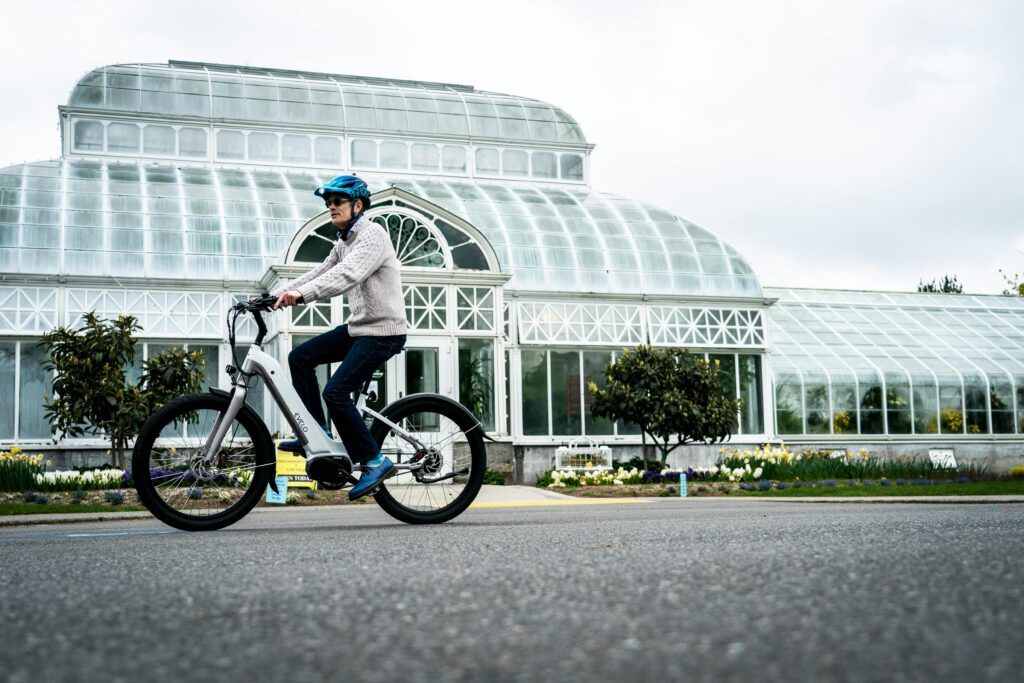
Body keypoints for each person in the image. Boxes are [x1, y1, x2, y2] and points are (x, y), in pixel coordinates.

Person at [271, 175, 407, 500]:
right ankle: (316, 433)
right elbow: (320, 271)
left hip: (384, 332)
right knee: (299, 357)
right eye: (328, 202)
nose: (330, 207)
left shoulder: (373, 235)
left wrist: (301, 296)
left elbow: (347, 274)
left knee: (335, 392)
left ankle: (374, 461)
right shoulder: (344, 242)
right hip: (359, 328)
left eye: (337, 201)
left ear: (357, 205)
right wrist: (277, 294)